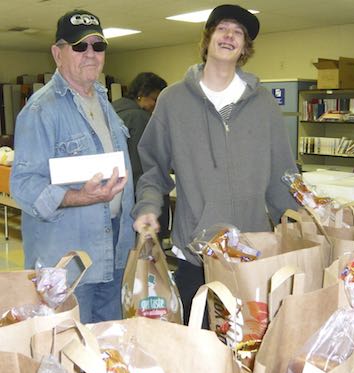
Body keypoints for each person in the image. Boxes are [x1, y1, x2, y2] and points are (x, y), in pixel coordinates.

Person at [132, 4, 299, 325]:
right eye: (222, 28)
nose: (229, 35)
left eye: (238, 32)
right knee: (198, 352)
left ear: (244, 48)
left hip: (252, 254)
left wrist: (298, 223)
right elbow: (153, 167)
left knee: (248, 352)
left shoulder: (263, 103)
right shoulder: (173, 100)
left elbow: (283, 174)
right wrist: (148, 206)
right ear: (207, 39)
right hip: (197, 255)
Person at [10, 9, 135, 323]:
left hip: (114, 251)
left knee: (108, 346)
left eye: (98, 46)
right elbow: (23, 185)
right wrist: (81, 197)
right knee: (70, 355)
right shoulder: (41, 110)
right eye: (80, 47)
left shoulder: (104, 102)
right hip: (70, 264)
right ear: (57, 53)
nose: (90, 54)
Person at [112, 73, 171, 240]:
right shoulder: (139, 117)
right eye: (154, 99)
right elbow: (145, 166)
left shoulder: (112, 110)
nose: (156, 105)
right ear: (142, 94)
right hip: (138, 197)